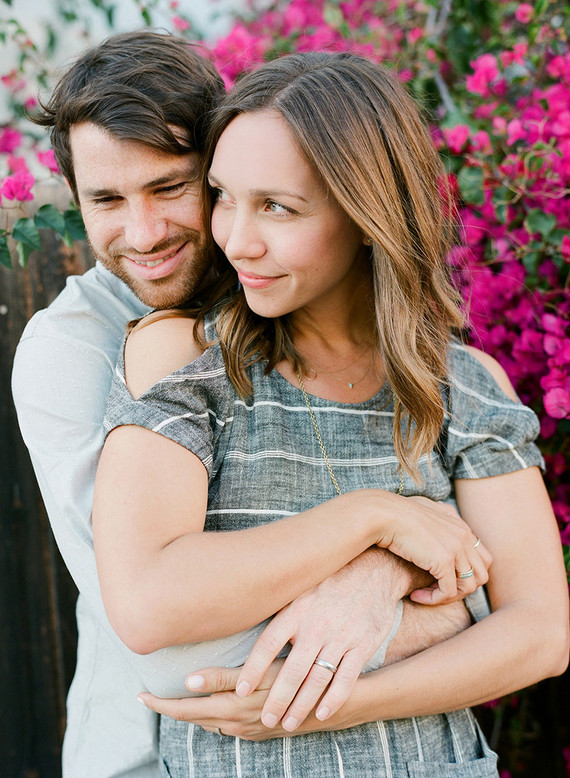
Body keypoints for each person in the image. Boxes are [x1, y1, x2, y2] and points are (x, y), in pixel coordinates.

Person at [11, 32, 482, 778]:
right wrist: (431, 588)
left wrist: (389, 573)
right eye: (106, 199)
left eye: (171, 188)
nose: (143, 234)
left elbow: (511, 595)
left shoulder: (295, 300)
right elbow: (180, 650)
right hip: (151, 757)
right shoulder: (70, 351)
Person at [92, 52, 569, 776]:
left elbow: (539, 633)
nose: (236, 240)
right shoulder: (194, 368)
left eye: (277, 207)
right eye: (223, 196)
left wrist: (340, 700)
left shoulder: (464, 387)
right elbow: (148, 602)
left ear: (367, 214)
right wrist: (375, 517)